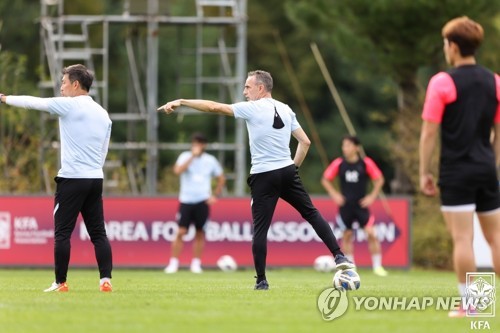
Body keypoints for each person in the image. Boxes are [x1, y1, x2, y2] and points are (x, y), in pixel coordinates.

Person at [158, 69, 355, 290]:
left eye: (247, 87)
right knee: (311, 213)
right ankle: (339, 255)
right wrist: (294, 168)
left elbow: (214, 107)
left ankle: (261, 280)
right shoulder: (286, 109)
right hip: (287, 171)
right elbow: (305, 142)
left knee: (261, 229)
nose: (244, 92)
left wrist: (182, 101)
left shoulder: (252, 108)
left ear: (261, 88)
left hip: (264, 175)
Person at [0, 64, 113, 292]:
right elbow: (104, 150)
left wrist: (5, 99)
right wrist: (94, 170)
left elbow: (35, 102)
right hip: (95, 179)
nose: (61, 88)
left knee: (62, 233)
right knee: (98, 232)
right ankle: (105, 280)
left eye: (63, 83)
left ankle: (60, 282)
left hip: (72, 179)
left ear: (75, 85)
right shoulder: (103, 113)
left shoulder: (69, 106)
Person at [419, 16, 500, 318]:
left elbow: (428, 133)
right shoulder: (495, 81)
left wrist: (424, 172)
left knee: (463, 239)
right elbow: (499, 130)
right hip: (486, 169)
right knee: (496, 238)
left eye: (445, 43)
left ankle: (472, 304)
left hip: (456, 171)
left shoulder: (443, 82)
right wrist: (493, 164)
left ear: (453, 46)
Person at [321, 135, 388, 276]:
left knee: (371, 234)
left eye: (348, 145)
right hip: (346, 206)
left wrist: (372, 196)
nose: (345, 148)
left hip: (361, 206)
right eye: (344, 145)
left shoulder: (365, 163)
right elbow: (326, 179)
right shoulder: (339, 163)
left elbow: (379, 179)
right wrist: (335, 195)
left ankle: (377, 266)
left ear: (356, 147)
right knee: (347, 235)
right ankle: (351, 266)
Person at [164, 132, 225, 274]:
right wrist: (192, 156)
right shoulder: (185, 156)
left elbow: (221, 178)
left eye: (199, 143)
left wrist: (215, 195)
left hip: (203, 200)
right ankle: (173, 263)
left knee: (200, 232)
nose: (196, 146)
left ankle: (196, 264)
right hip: (186, 200)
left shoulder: (210, 160)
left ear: (204, 145)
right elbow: (177, 171)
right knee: (181, 231)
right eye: (195, 143)